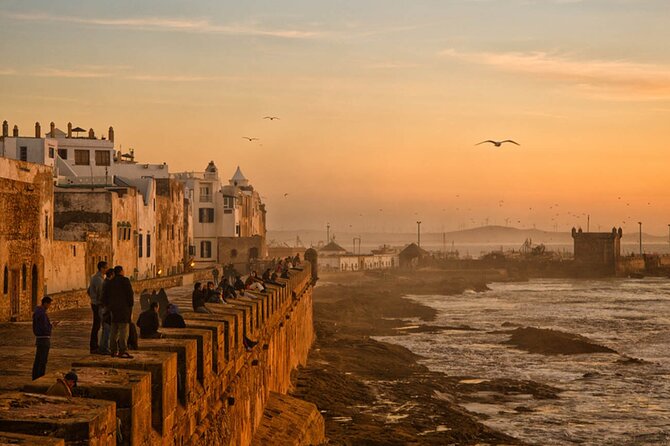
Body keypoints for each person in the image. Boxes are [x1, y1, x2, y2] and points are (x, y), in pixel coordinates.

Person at [102, 266, 134, 359]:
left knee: (114, 330)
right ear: (121, 271)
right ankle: (123, 350)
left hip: (113, 310)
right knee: (123, 330)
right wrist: (130, 307)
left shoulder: (110, 282)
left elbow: (105, 297)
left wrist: (109, 306)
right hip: (124, 310)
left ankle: (113, 350)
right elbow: (130, 295)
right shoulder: (125, 281)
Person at [32, 296, 58, 380]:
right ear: (45, 303)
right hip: (44, 338)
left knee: (38, 360)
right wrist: (52, 325)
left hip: (39, 338)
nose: (49, 306)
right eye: (49, 304)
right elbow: (44, 328)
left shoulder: (37, 312)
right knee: (42, 360)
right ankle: (39, 377)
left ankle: (35, 376)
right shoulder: (42, 314)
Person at [87, 261, 107, 354]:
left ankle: (94, 345)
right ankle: (94, 346)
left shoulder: (95, 277)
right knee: (96, 325)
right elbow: (101, 293)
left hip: (94, 303)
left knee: (96, 325)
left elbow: (89, 290)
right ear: (102, 268)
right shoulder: (98, 279)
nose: (107, 269)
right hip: (97, 304)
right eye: (106, 267)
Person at [98, 268, 115, 355]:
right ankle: (104, 348)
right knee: (107, 329)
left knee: (105, 329)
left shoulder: (105, 282)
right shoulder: (108, 284)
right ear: (112, 275)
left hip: (103, 308)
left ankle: (103, 347)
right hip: (106, 309)